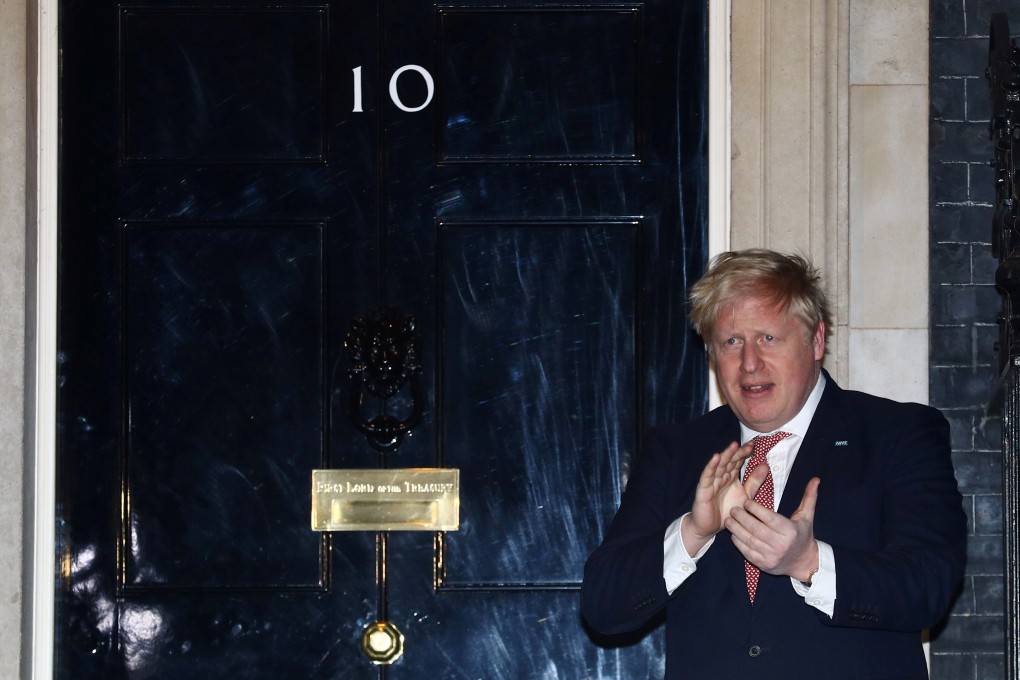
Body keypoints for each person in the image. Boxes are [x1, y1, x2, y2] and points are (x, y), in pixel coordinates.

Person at [581, 249, 966, 679]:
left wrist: (808, 562)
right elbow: (603, 606)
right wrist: (693, 532)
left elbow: (929, 586)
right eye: (731, 342)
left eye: (768, 338)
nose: (749, 363)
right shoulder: (677, 450)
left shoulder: (897, 433)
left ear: (816, 341)